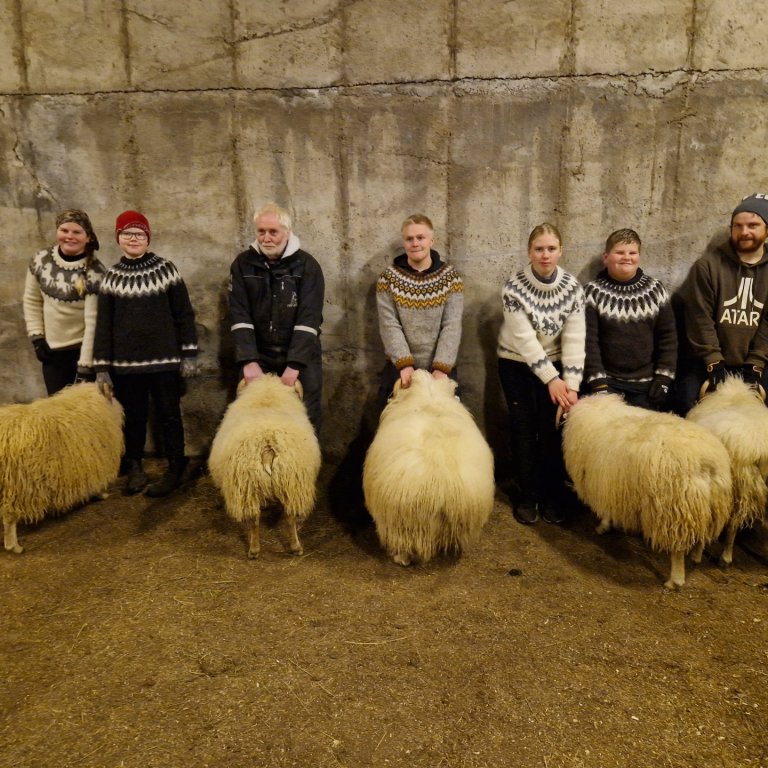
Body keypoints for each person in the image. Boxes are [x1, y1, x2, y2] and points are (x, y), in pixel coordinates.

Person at [92, 210, 199, 497]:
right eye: (127, 234)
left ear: (148, 238)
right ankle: (135, 465)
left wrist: (189, 353)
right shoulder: (111, 277)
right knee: (134, 417)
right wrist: (101, 367)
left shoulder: (166, 270)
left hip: (165, 362)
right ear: (118, 239)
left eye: (139, 234)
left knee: (169, 415)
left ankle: (177, 466)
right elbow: (103, 326)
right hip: (125, 365)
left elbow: (184, 315)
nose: (134, 239)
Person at [497, 222, 585, 526]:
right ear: (529, 252)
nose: (545, 255)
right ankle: (528, 494)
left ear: (560, 251)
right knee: (524, 429)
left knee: (553, 430)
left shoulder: (573, 287)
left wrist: (570, 384)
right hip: (516, 363)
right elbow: (524, 340)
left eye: (550, 248)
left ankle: (551, 493)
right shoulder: (513, 287)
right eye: (539, 249)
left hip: (558, 367)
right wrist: (552, 379)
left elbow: (575, 338)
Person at [228, 203, 324, 433]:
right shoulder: (242, 265)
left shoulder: (308, 266)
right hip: (257, 354)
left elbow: (309, 318)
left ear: (287, 232)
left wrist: (294, 366)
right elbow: (239, 315)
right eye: (261, 231)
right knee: (249, 418)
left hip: (300, 354)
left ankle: (304, 468)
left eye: (273, 232)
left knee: (306, 418)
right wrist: (249, 361)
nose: (267, 238)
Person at [677, 193, 768, 412]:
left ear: (767, 229)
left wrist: (756, 364)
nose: (744, 232)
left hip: (757, 362)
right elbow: (700, 317)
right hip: (709, 360)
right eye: (738, 226)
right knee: (685, 403)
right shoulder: (708, 266)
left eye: (752, 225)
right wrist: (714, 362)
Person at [375, 214, 463, 409]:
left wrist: (441, 367)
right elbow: (389, 324)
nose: (415, 243)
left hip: (441, 370)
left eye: (420, 238)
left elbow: (452, 324)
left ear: (432, 240)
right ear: (404, 242)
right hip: (400, 370)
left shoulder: (451, 278)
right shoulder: (388, 279)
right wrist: (405, 365)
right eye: (409, 239)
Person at [583, 228, 677, 410]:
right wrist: (598, 383)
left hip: (646, 385)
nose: (627, 257)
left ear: (639, 257)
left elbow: (668, 338)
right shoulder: (592, 293)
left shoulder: (655, 290)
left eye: (632, 253)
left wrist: (664, 377)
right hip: (607, 383)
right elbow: (589, 343)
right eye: (619, 252)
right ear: (606, 257)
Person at [23, 209, 106, 395]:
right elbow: (32, 300)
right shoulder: (40, 261)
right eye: (64, 230)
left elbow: (94, 323)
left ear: (88, 237)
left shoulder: (95, 274)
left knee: (83, 414)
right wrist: (37, 337)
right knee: (58, 413)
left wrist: (85, 366)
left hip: (83, 353)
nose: (69, 236)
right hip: (52, 353)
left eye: (77, 232)